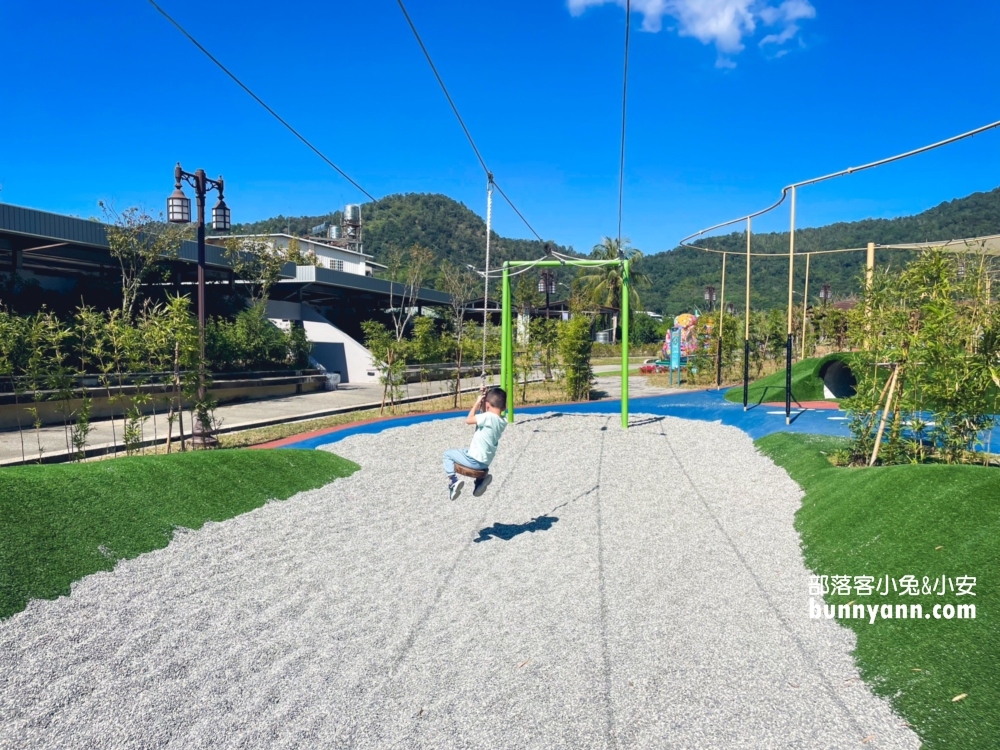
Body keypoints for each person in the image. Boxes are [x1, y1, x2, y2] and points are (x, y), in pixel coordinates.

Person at [442, 386, 507, 501]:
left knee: (447, 454)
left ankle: (453, 481)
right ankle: (479, 482)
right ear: (504, 407)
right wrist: (484, 398)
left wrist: (477, 403)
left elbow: (469, 420)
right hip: (485, 464)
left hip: (474, 461)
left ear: (487, 405)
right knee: (465, 450)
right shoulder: (502, 421)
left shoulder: (487, 417)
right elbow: (486, 412)